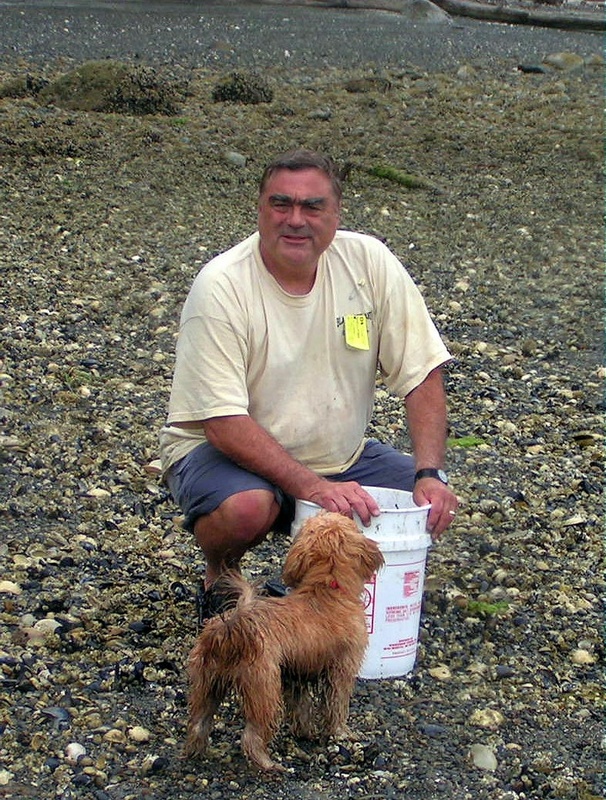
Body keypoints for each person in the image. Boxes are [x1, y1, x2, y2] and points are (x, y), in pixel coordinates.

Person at [159, 148, 458, 622]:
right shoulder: (221, 285)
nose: (295, 220)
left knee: (416, 506)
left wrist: (430, 474)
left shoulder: (369, 262)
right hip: (222, 452)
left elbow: (422, 372)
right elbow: (221, 421)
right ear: (260, 209)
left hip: (339, 456)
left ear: (336, 215)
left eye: (312, 206)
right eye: (281, 204)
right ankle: (220, 573)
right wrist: (313, 488)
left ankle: (321, 592)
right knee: (247, 508)